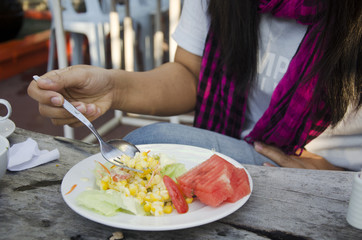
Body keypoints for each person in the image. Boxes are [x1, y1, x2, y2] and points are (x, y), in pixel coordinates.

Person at [28, 0, 362, 171]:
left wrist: (332, 171)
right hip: (250, 149)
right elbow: (191, 75)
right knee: (142, 147)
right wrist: (113, 88)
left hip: (344, 174)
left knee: (151, 141)